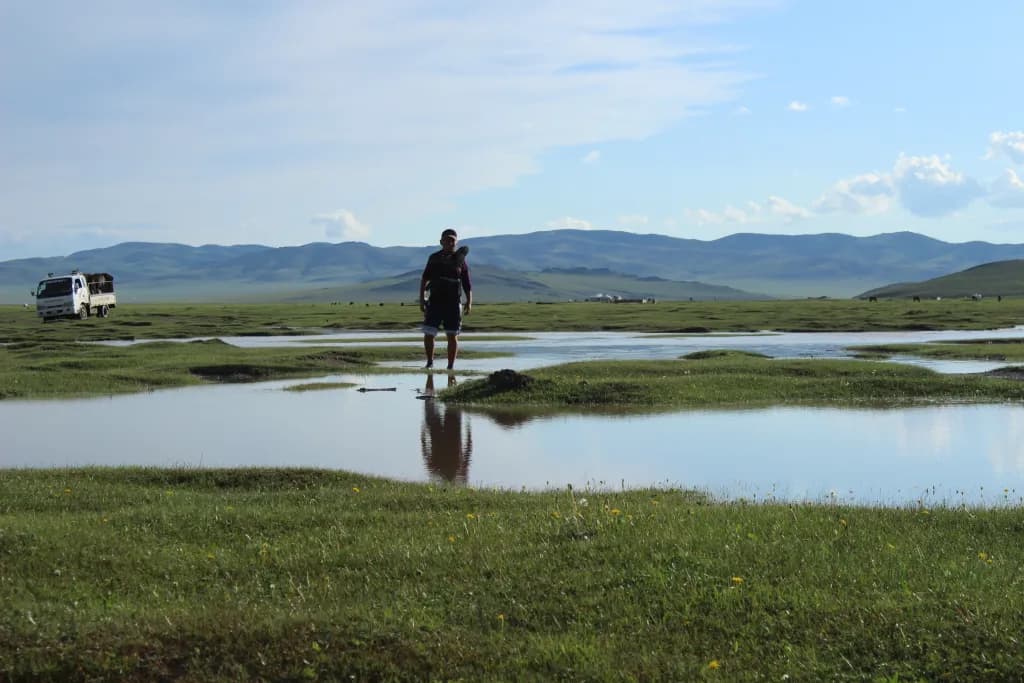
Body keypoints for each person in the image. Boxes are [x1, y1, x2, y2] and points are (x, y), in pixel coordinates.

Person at [419, 228, 472, 369]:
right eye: (446, 240)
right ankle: (429, 362)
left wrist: (469, 301)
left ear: (456, 242)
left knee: (452, 335)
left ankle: (450, 366)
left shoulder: (461, 260)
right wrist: (421, 298)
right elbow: (424, 278)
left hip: (453, 302)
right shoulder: (434, 258)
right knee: (429, 333)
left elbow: (467, 282)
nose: (449, 242)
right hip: (435, 300)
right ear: (441, 241)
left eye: (452, 240)